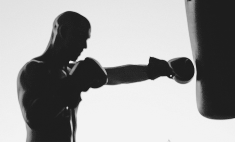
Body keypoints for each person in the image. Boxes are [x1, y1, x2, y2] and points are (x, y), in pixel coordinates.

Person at [17, 11, 175, 142]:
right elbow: (34, 117)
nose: (85, 46)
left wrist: (153, 70)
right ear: (64, 32)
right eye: (80, 38)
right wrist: (74, 83)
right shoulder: (34, 69)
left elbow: (116, 76)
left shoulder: (71, 71)